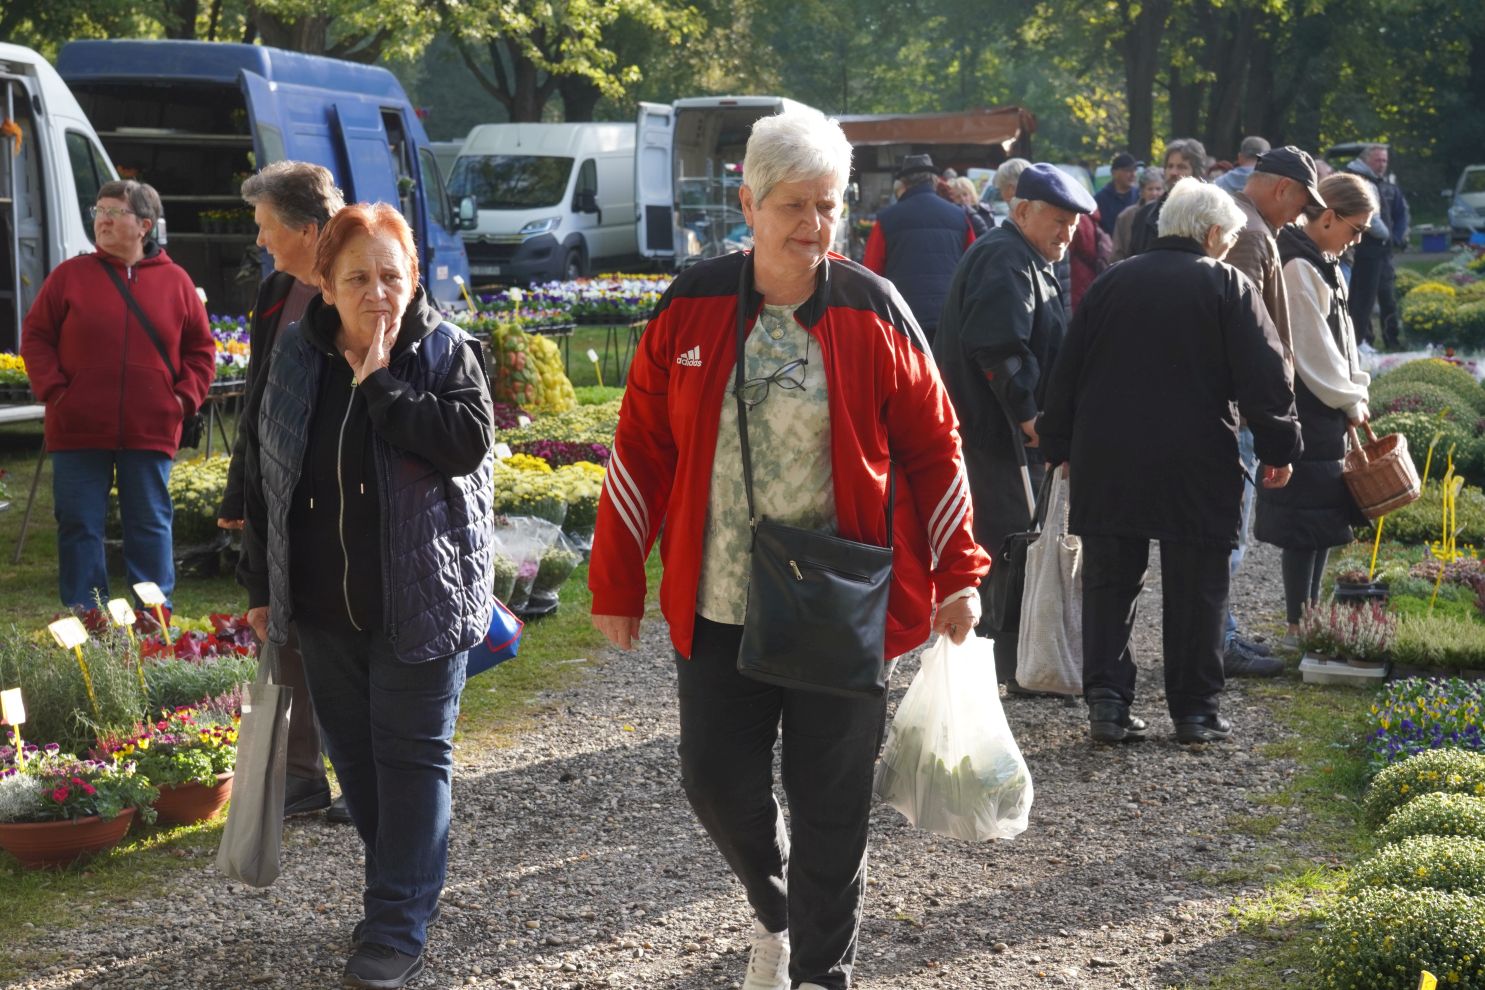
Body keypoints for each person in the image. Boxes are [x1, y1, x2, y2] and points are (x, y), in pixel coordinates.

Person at [588, 106, 988, 990]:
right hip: (719, 599)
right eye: (794, 205)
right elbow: (640, 448)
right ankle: (777, 912)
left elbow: (936, 448)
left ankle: (818, 972)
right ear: (749, 206)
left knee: (829, 801)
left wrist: (958, 571)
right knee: (712, 780)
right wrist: (615, 580)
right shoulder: (691, 305)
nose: (814, 224)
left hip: (837, 602)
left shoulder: (874, 310)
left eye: (829, 205)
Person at [239, 203, 495, 990]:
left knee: (412, 764)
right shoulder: (296, 354)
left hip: (421, 600)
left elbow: (465, 442)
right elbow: (267, 469)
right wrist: (261, 585)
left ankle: (393, 927)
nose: (377, 293)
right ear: (324, 285)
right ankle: (405, 889)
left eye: (391, 275)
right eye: (357, 278)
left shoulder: (444, 351)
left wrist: (380, 382)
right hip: (324, 609)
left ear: (414, 276)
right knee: (358, 767)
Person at [1036, 180, 1302, 744]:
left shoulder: (1111, 282)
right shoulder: (1227, 285)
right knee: (1197, 582)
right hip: (1196, 455)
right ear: (1212, 233)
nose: (1228, 249)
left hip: (1109, 453)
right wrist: (1280, 447)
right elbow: (1266, 374)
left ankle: (1107, 704)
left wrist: (1058, 444)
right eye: (1228, 240)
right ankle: (1194, 711)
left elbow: (1068, 368)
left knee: (1109, 582)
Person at [217, 160, 350, 823]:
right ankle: (301, 776)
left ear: (306, 229)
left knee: (350, 639)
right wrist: (239, 493)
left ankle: (365, 777)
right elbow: (259, 398)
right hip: (281, 490)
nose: (260, 239)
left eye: (266, 226)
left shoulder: (362, 280)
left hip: (345, 496)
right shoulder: (275, 290)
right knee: (281, 628)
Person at [934, 163, 1096, 688]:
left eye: (1074, 224)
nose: (1067, 233)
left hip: (999, 432)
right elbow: (998, 348)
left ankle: (1011, 663)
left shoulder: (1023, 256)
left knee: (1011, 546)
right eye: (1059, 221)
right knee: (1006, 550)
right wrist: (1028, 415)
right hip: (993, 435)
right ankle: (1000, 666)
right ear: (1022, 211)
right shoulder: (1005, 257)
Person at [21, 180, 215, 615]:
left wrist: (181, 401)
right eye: (99, 211)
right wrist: (57, 393)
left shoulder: (177, 282)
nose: (102, 220)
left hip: (150, 428)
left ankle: (153, 620)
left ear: (144, 225)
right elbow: (35, 337)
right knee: (78, 525)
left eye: (114, 212)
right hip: (77, 428)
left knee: (149, 525)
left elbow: (201, 351)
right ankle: (88, 618)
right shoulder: (69, 276)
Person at [1255, 173, 1377, 645]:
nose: (1357, 240)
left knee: (1325, 520)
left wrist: (1356, 390)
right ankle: (1296, 623)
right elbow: (1312, 352)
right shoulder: (1298, 266)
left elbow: (1343, 342)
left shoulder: (1324, 262)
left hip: (1328, 408)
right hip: (1308, 408)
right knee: (1304, 524)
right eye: (1355, 229)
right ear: (1328, 217)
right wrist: (1349, 398)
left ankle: (1310, 616)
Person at [1222, 145, 1327, 677]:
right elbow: (1240, 331)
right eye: (1302, 205)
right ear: (1283, 188)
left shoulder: (1249, 223)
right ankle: (1218, 641)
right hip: (1235, 412)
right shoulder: (1251, 231)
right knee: (1226, 536)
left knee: (1227, 535)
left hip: (1237, 409)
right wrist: (1266, 421)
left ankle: (1221, 632)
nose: (1300, 218)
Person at [862, 153, 977, 342]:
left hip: (902, 318)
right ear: (934, 180)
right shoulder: (959, 216)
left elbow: (871, 274)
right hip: (950, 316)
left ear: (903, 183)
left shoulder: (887, 219)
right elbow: (974, 268)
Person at [1345, 144, 1410, 349]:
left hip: (1383, 252)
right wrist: (1387, 235)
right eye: (1377, 160)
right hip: (1365, 251)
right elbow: (1370, 218)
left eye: (1384, 160)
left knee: (1387, 297)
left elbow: (1401, 214)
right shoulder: (1359, 180)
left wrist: (1396, 238)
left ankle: (1391, 340)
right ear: (1366, 160)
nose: (1382, 164)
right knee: (1363, 298)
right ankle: (1362, 342)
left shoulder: (1386, 185)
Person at [1120, 137, 1208, 260]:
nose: (1173, 172)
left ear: (1197, 174)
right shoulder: (1144, 216)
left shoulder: (1208, 216)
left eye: (1181, 167)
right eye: (1170, 166)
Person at [1110, 167, 1165, 262]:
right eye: (1150, 189)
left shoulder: (1168, 214)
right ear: (1142, 192)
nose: (1154, 193)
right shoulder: (1126, 216)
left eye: (1158, 189)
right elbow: (1117, 251)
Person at [1094, 153, 1140, 236]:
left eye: (1135, 170)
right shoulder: (1100, 199)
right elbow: (1095, 227)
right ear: (1114, 172)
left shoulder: (1139, 195)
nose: (1133, 174)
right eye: (1128, 170)